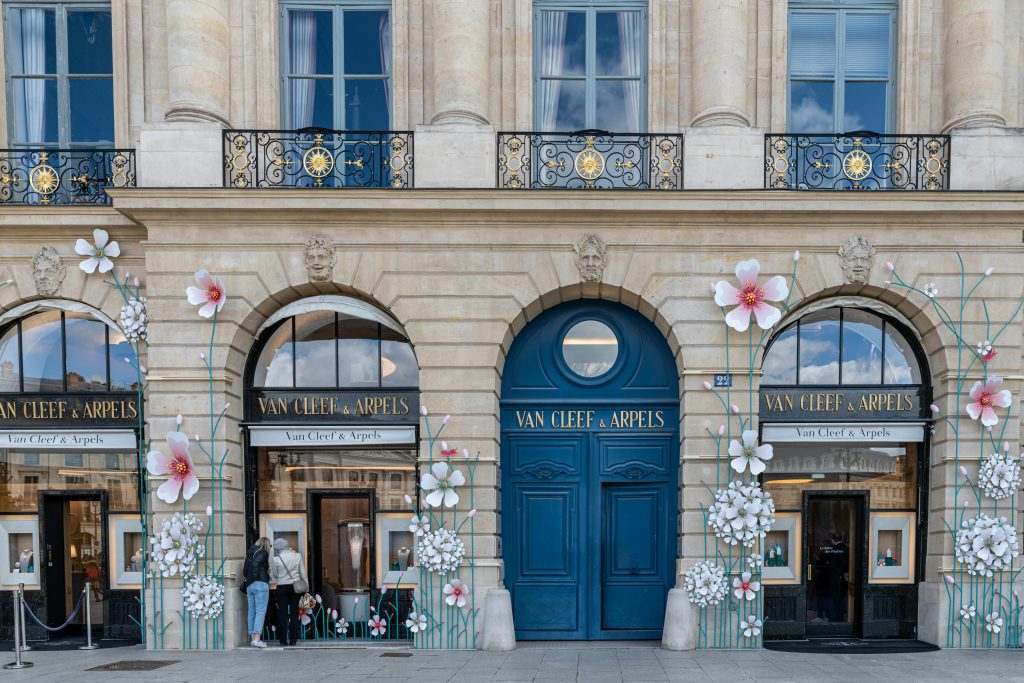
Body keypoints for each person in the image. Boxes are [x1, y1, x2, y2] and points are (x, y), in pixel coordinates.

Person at [271, 538, 307, 646]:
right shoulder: (297, 556)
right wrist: (307, 586)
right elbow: (303, 573)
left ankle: (283, 640)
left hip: (282, 586)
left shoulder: (275, 559)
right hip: (295, 587)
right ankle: (293, 640)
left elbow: (275, 575)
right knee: (294, 613)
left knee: (282, 614)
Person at [243, 537, 272, 648]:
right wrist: (256, 578)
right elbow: (256, 565)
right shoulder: (263, 553)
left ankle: (253, 638)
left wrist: (252, 579)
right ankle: (257, 639)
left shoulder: (250, 554)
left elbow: (245, 571)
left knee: (252, 612)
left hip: (249, 585)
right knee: (260, 612)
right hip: (260, 584)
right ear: (266, 544)